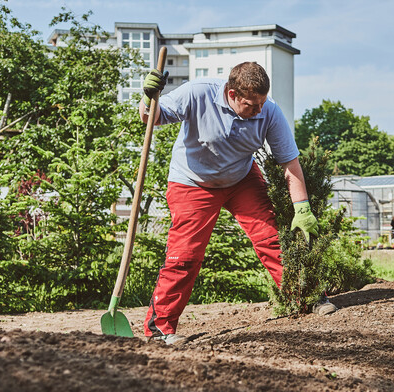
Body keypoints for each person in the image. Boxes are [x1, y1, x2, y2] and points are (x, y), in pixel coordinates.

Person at [139, 61, 337, 345]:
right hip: (192, 182)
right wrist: (148, 98)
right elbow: (152, 117)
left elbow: (289, 162)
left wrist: (302, 208)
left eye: (262, 103)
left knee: (271, 236)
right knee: (184, 255)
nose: (259, 111)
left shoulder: (269, 111)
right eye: (251, 105)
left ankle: (307, 297)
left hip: (241, 179)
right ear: (232, 95)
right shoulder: (198, 93)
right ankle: (159, 329)